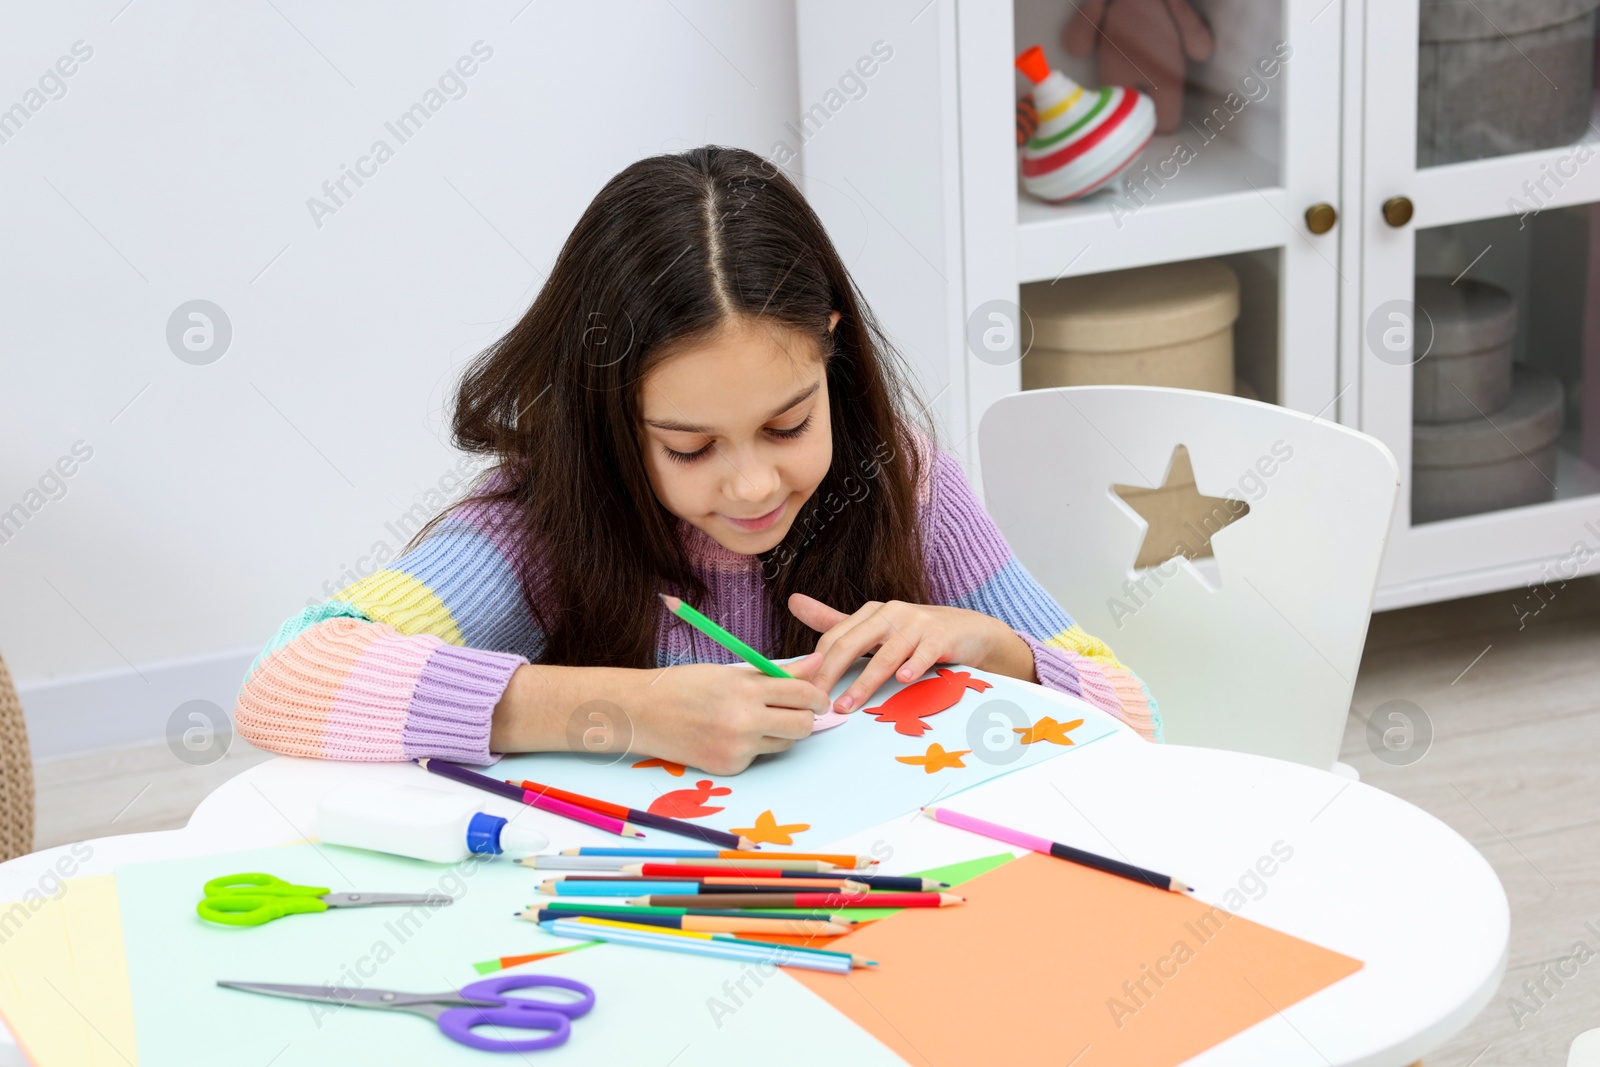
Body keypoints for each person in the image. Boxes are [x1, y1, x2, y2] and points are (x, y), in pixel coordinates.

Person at [234, 146, 1159, 775]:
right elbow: (289, 678)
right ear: (612, 418)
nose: (753, 484)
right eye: (690, 446)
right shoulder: (536, 527)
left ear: (831, 347)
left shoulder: (904, 484)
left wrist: (997, 650)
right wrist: (630, 710)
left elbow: (1133, 713)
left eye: (790, 425)